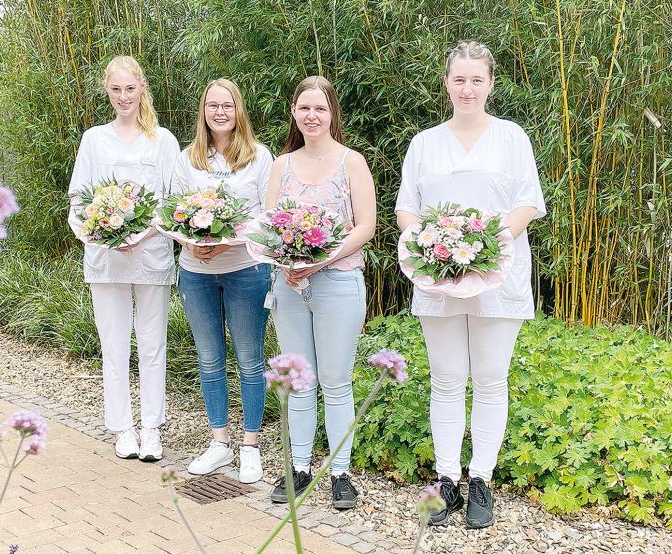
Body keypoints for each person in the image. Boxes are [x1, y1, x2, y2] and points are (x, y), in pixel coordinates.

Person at [394, 41, 547, 528]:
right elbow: (406, 208)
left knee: (489, 379)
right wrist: (428, 245)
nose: (467, 88)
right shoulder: (425, 143)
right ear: (447, 83)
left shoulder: (511, 137)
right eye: (459, 79)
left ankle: (480, 478)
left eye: (476, 80)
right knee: (445, 380)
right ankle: (445, 481)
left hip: (496, 280)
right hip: (438, 277)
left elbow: (527, 202)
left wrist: (485, 249)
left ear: (490, 84)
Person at [264, 75, 376, 509]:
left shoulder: (353, 162)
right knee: (299, 382)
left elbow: (365, 226)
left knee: (336, 381)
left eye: (321, 108)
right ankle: (298, 468)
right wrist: (286, 263)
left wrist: (320, 261)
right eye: (304, 108)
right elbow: (269, 226)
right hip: (289, 286)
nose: (312, 116)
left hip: (338, 283)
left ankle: (341, 473)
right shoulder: (281, 165)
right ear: (294, 112)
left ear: (332, 114)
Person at [67, 55, 180, 462]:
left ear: (142, 88)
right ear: (107, 91)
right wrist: (104, 232)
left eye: (130, 88)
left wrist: (142, 233)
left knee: (152, 344)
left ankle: (151, 428)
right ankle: (122, 429)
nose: (123, 97)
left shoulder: (163, 140)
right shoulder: (94, 139)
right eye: (115, 89)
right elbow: (79, 199)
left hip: (151, 256)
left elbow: (172, 201)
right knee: (114, 345)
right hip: (106, 258)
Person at [172, 79, 274, 484]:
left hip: (245, 270)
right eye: (212, 105)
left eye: (227, 105)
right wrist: (192, 242)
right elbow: (172, 213)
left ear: (239, 110)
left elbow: (270, 216)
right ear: (203, 111)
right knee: (209, 358)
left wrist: (229, 237)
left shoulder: (259, 158)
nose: (219, 112)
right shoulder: (188, 159)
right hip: (196, 273)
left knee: (250, 359)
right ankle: (219, 442)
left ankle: (250, 445)